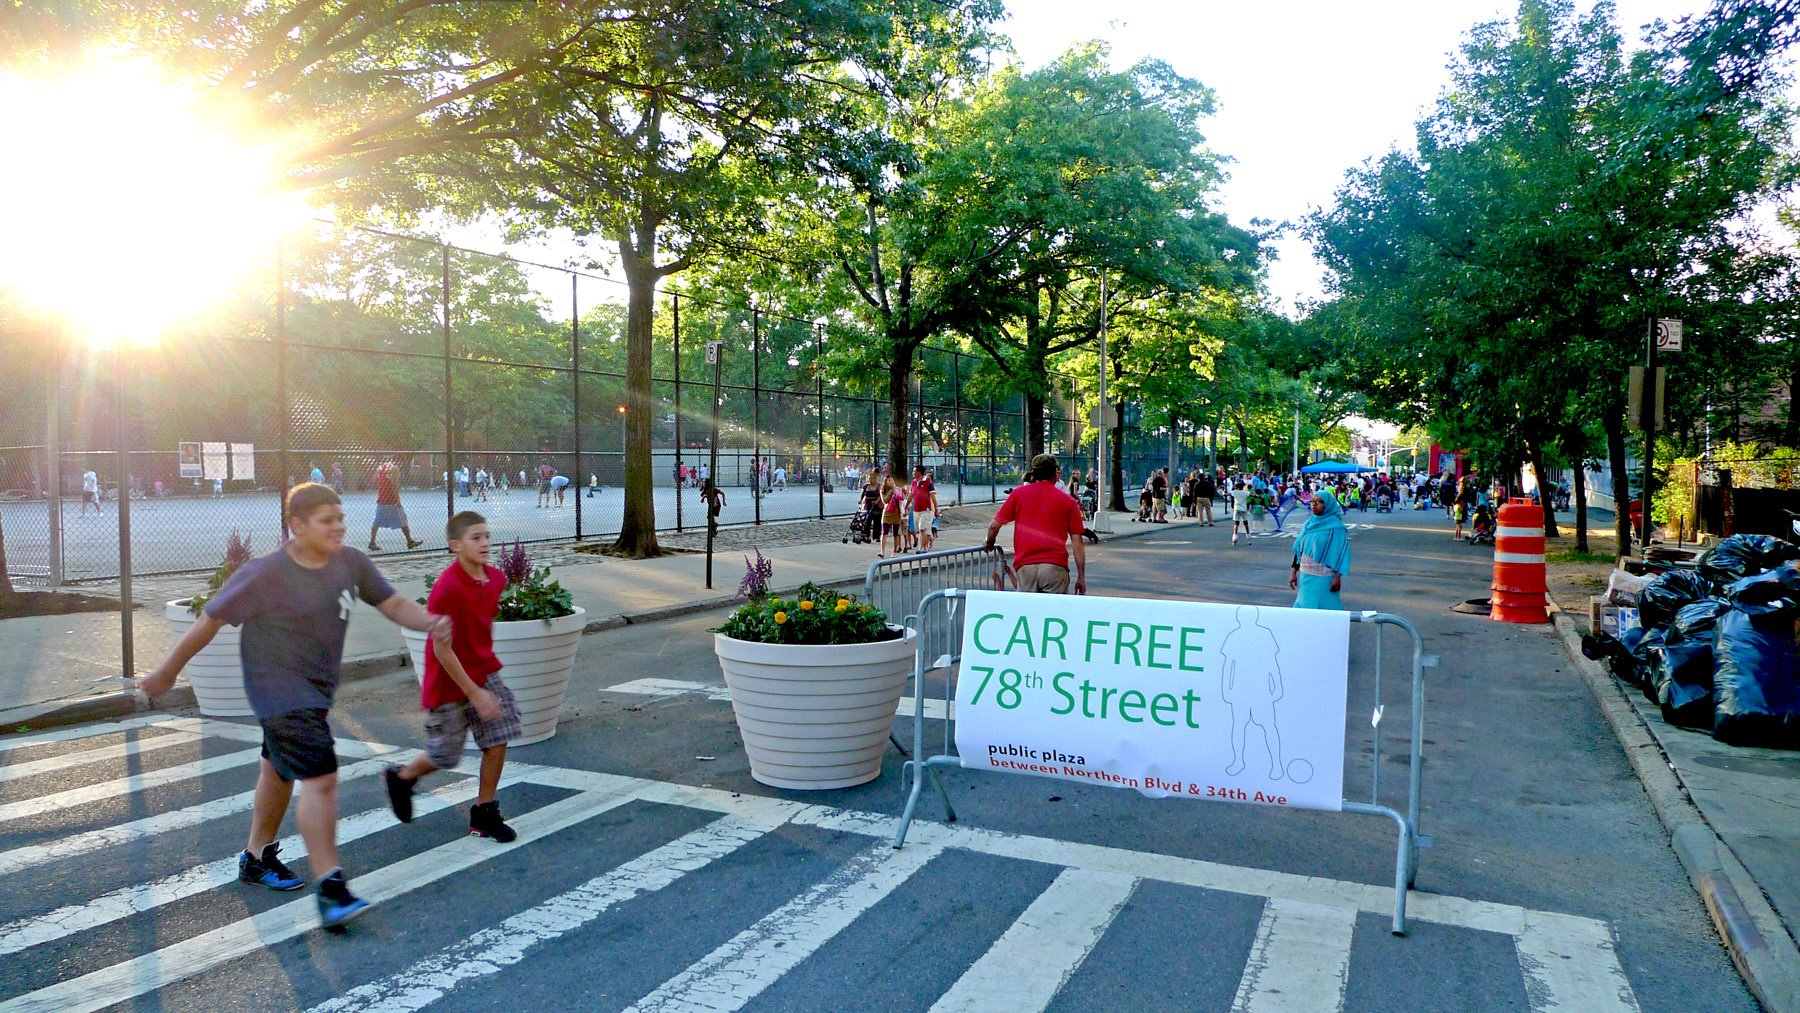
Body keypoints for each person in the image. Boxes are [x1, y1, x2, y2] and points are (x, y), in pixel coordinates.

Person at [137, 483, 451, 929]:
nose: (338, 527)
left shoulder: (350, 562)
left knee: (278, 770)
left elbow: (394, 603)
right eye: (327, 521)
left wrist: (430, 621)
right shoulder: (265, 573)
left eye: (340, 518)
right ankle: (332, 891)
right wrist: (168, 672)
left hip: (314, 691)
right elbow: (209, 619)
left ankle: (256, 858)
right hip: (278, 693)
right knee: (321, 776)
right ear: (297, 526)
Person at [382, 511, 522, 843]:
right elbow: (442, 650)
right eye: (476, 538)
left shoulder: (495, 579)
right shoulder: (447, 588)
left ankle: (485, 812)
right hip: (449, 680)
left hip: (483, 671)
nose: (485, 543)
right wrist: (474, 693)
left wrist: (484, 681)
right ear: (456, 545)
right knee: (446, 755)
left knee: (499, 733)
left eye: (487, 536)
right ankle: (402, 777)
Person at [986, 454, 1086, 594]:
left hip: (1026, 567)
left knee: (1028, 608)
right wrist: (1081, 576)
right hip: (1054, 568)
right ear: (1054, 473)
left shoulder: (1018, 494)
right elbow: (1077, 542)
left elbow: (994, 526)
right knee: (1053, 608)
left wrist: (990, 542)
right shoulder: (1068, 502)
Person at [1289, 488, 1352, 610]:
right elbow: (1300, 550)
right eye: (1312, 501)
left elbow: (1340, 554)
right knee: (1305, 610)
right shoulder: (1308, 524)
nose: (1314, 504)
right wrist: (1293, 572)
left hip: (1324, 578)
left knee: (1326, 610)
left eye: (1319, 501)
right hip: (1305, 576)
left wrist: (1337, 577)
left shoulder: (1336, 527)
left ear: (1328, 504)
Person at [369, 460, 423, 552]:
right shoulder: (393, 468)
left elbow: (373, 480)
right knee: (403, 519)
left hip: (382, 499)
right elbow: (394, 485)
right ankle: (409, 541)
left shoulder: (380, 468)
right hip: (391, 500)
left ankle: (372, 542)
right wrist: (398, 499)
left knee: (377, 521)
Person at [911, 465, 939, 552]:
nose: (913, 473)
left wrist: (936, 509)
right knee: (921, 530)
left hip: (926, 510)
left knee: (922, 529)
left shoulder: (927, 482)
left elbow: (933, 496)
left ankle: (921, 548)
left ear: (919, 472)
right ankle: (926, 545)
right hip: (916, 510)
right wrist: (906, 505)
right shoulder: (913, 483)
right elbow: (911, 495)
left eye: (914, 471)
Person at [879, 475, 904, 559]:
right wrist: (891, 492)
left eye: (892, 480)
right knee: (884, 532)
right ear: (885, 482)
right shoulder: (883, 490)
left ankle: (894, 551)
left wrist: (895, 491)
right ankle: (882, 551)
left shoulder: (898, 489)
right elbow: (885, 501)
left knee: (895, 533)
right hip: (887, 512)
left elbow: (901, 498)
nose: (891, 482)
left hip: (896, 513)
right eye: (889, 480)